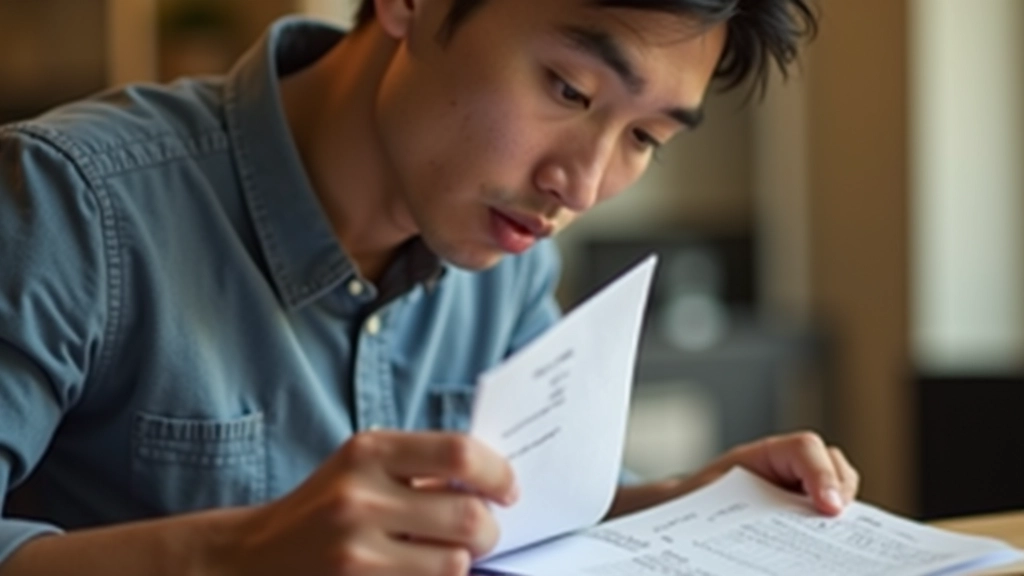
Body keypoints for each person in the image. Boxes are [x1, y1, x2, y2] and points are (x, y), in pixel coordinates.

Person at [0, 0, 858, 573]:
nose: (582, 185)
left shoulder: (509, 260)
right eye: (569, 88)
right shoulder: (68, 204)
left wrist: (686, 502)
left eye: (644, 138)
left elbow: (522, 515)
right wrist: (236, 556)